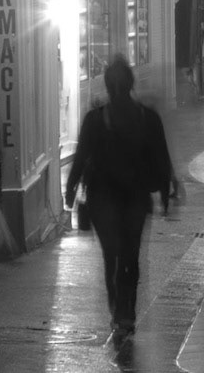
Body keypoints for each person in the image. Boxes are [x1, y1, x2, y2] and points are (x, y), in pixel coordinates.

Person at [63, 55, 178, 346]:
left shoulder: (95, 119)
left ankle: (116, 308)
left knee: (111, 257)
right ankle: (128, 312)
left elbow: (81, 156)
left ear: (107, 85)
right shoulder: (147, 118)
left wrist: (71, 189)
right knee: (131, 255)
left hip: (102, 199)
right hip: (136, 197)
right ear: (131, 84)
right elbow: (161, 158)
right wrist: (166, 194)